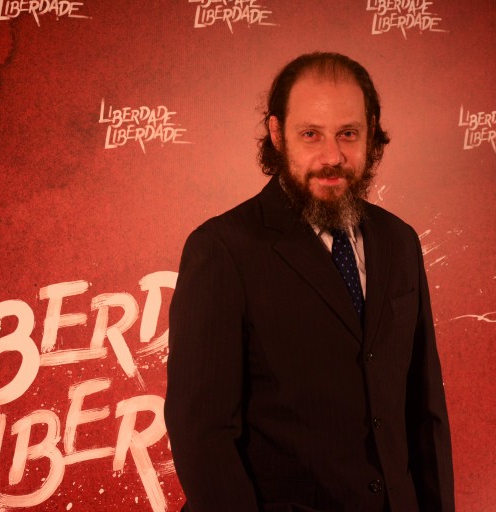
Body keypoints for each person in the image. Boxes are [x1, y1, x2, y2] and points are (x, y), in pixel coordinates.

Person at [164, 52, 454, 512]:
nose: (332, 157)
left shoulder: (400, 241)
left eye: (348, 134)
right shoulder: (222, 249)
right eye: (311, 134)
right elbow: (203, 434)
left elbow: (424, 411)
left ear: (371, 132)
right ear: (278, 134)